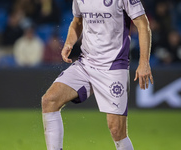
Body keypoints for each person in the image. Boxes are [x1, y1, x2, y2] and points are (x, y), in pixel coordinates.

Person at [41, 0, 154, 150]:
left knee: (117, 131)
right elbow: (77, 21)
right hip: (86, 63)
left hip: (113, 67)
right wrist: (69, 43)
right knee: (49, 100)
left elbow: (142, 24)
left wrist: (144, 62)